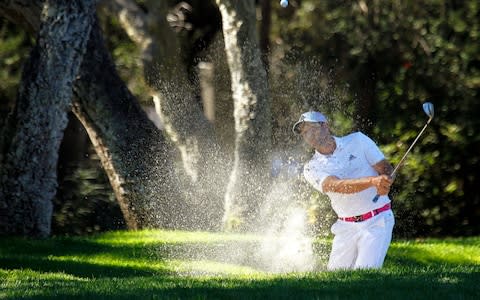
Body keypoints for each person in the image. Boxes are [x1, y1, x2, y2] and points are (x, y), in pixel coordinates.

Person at [293, 111, 395, 270]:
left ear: (325, 126)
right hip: (345, 227)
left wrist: (386, 181)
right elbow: (338, 186)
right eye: (304, 133)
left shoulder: (358, 140)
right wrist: (373, 181)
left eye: (312, 129)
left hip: (377, 220)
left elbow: (385, 168)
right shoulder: (311, 167)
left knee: (364, 276)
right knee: (336, 280)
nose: (309, 135)